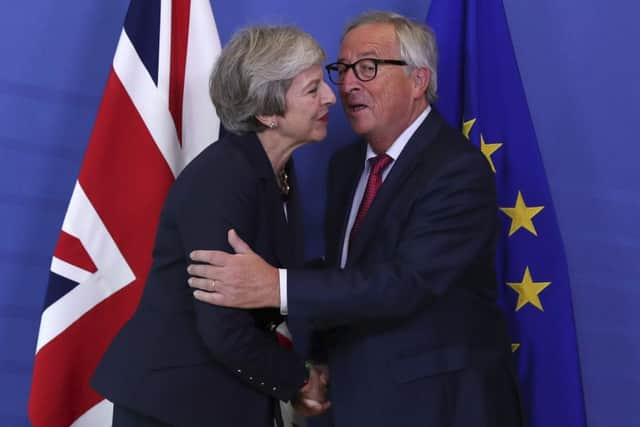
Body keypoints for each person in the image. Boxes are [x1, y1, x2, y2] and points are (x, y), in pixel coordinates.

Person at [188, 11, 522, 427]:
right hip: (348, 399)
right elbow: (345, 274)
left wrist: (276, 286)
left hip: (439, 405)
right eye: (341, 69)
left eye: (367, 68)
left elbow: (405, 282)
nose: (346, 85)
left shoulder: (457, 170)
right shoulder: (345, 165)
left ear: (418, 81)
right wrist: (316, 361)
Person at [91, 25, 335, 426]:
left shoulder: (276, 171)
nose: (330, 96)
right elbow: (223, 326)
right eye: (312, 89)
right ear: (268, 112)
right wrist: (298, 380)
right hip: (175, 406)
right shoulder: (224, 180)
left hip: (213, 398)